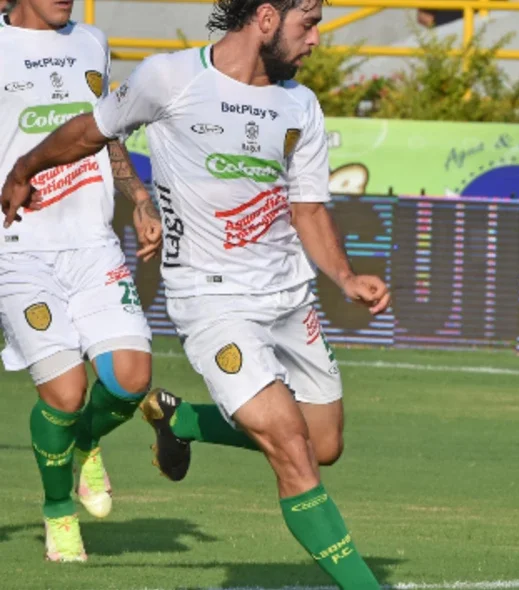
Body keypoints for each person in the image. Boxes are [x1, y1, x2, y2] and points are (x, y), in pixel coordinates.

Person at [1, 0, 391, 586]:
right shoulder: (170, 77)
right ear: (265, 19)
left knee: (323, 443)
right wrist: (26, 166)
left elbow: (308, 206)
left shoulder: (300, 105)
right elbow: (91, 130)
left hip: (289, 297)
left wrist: (344, 277)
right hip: (211, 301)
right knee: (288, 443)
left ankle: (180, 422)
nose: (315, 40)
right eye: (307, 25)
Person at [0, 0, 161, 561]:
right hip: (19, 250)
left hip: (94, 243)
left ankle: (85, 444)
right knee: (66, 393)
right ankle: (57, 511)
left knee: (130, 380)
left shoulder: (91, 40)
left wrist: (139, 196)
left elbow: (104, 128)